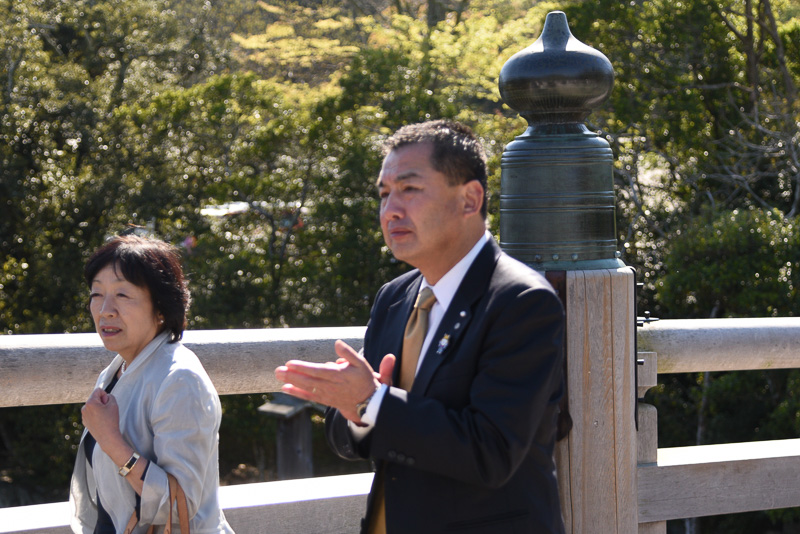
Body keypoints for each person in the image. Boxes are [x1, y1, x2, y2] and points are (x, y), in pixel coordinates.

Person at [275, 119, 566, 533]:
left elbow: (492, 452)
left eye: (409, 190)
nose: (391, 209)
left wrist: (372, 402)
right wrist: (355, 410)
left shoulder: (521, 301)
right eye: (384, 194)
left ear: (470, 199)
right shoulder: (395, 297)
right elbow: (352, 432)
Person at [69, 234, 234, 533]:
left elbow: (178, 504)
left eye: (123, 295)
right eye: (97, 294)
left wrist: (111, 441)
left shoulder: (180, 379)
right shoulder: (117, 369)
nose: (105, 309)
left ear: (161, 309)